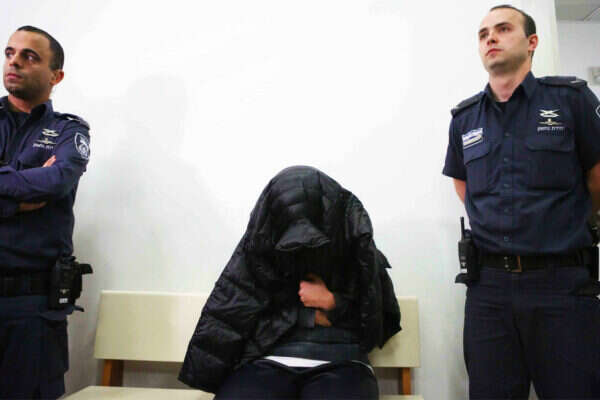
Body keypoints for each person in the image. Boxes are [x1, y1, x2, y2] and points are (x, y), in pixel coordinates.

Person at [443, 4, 600, 399]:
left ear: (532, 42)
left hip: (561, 284)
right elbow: (464, 185)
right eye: (483, 34)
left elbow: (597, 177)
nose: (490, 38)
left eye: (502, 29)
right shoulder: (465, 119)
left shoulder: (571, 101)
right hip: (489, 291)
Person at [179, 166, 400, 399]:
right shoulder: (262, 248)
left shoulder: (354, 242)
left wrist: (332, 302)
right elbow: (236, 314)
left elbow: (377, 323)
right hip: (268, 359)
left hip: (343, 360)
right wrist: (310, 316)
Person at [0, 26, 91, 399]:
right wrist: (14, 199)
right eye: (10, 53)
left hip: (32, 308)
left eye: (29, 56)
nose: (14, 62)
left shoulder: (68, 132)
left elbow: (55, 182)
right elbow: (36, 185)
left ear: (56, 76)